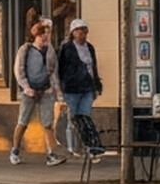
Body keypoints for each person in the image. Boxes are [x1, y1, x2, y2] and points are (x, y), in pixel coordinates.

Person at [10, 20, 65, 166]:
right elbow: (19, 70)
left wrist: (56, 91)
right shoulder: (25, 50)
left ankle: (51, 154)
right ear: (35, 35)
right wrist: (26, 87)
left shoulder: (50, 51)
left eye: (47, 34)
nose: (44, 37)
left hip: (46, 90)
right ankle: (15, 151)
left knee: (47, 123)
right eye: (42, 35)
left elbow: (53, 72)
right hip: (29, 91)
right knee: (23, 121)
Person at [55, 19, 104, 156]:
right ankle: (72, 147)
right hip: (71, 88)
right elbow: (60, 68)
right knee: (72, 119)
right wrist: (61, 86)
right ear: (72, 33)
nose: (81, 34)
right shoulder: (66, 48)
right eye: (77, 31)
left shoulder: (90, 48)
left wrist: (96, 84)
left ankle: (87, 145)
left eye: (83, 31)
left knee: (85, 117)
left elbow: (93, 67)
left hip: (87, 87)